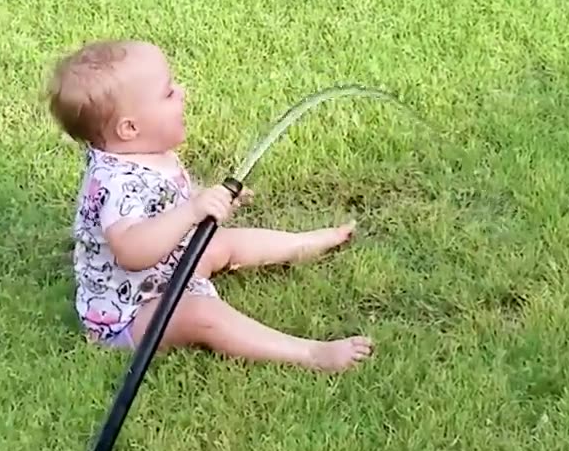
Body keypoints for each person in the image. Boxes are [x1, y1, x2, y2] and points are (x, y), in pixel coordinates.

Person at [45, 39, 373, 372]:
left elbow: (164, 198)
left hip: (165, 272)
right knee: (202, 315)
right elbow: (132, 251)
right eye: (168, 92)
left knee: (223, 242)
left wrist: (207, 197)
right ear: (130, 128)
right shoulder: (116, 183)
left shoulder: (144, 151)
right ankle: (312, 355)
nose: (182, 91)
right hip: (132, 313)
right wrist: (191, 211)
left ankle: (308, 243)